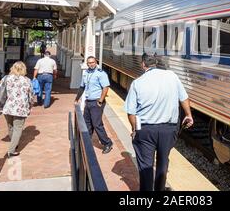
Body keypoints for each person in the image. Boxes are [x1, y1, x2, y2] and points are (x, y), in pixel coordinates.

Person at [124, 53, 194, 191]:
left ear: (143, 64)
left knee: (146, 166)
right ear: (155, 63)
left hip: (145, 131)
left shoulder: (137, 83)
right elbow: (184, 98)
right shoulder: (172, 76)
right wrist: (188, 115)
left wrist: (134, 130)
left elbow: (131, 112)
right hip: (168, 130)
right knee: (163, 162)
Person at [74, 56, 113, 154]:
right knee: (87, 122)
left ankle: (107, 143)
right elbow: (82, 87)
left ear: (96, 62)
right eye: (89, 63)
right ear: (87, 64)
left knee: (96, 124)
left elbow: (105, 87)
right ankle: (86, 141)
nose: (91, 64)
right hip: (88, 101)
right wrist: (76, 99)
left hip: (96, 102)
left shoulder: (101, 74)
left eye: (93, 62)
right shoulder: (86, 73)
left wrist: (100, 100)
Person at [0, 61, 36, 158]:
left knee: (10, 127)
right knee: (18, 128)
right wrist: (31, 104)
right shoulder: (27, 80)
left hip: (8, 107)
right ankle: (11, 150)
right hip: (21, 108)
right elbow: (31, 95)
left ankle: (14, 143)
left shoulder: (6, 78)